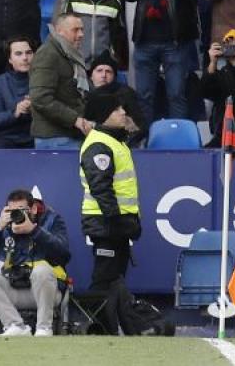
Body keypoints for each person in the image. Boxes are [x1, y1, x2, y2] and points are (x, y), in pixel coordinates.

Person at [122, 0, 202, 122]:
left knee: (176, 95)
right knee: (144, 97)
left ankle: (179, 144)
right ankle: (145, 144)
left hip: (175, 42)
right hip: (145, 41)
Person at [79, 91, 143, 334]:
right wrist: (116, 220)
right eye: (116, 109)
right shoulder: (99, 144)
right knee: (104, 278)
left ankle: (117, 326)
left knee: (114, 276)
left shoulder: (115, 140)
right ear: (103, 115)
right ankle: (100, 328)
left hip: (114, 221)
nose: (123, 113)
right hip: (107, 222)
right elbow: (100, 187)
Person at [0, 190, 69, 337]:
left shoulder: (51, 220)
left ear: (33, 209)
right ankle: (15, 326)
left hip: (46, 293)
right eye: (12, 211)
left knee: (42, 270)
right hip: (15, 290)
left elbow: (64, 254)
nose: (16, 215)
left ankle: (44, 329)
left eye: (21, 211)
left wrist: (34, 230)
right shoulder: (5, 226)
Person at [30, 13, 89, 148]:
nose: (81, 34)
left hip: (68, 135)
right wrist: (74, 119)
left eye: (82, 29)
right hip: (55, 139)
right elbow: (40, 98)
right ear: (59, 31)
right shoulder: (48, 54)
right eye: (75, 30)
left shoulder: (68, 53)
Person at [67, 0, 124, 64]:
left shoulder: (113, 3)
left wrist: (114, 55)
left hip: (103, 62)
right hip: (78, 59)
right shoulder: (75, 0)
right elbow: (67, 30)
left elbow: (117, 35)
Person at [202, 29, 235, 147]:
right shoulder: (220, 73)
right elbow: (205, 91)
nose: (233, 46)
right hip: (224, 135)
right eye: (229, 44)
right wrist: (212, 63)